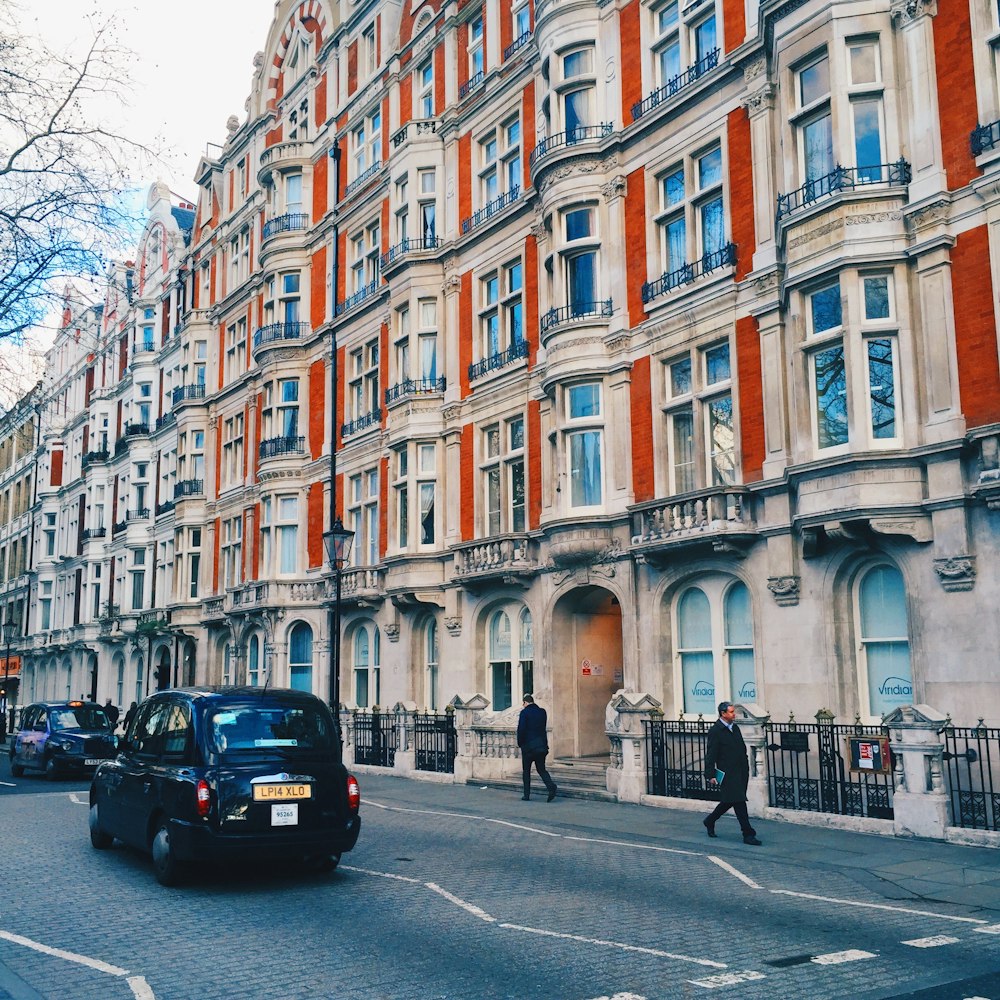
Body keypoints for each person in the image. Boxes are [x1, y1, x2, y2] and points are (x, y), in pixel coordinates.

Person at [703, 701, 762, 846]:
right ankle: (748, 834)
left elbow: (741, 748)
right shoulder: (715, 731)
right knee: (739, 802)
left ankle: (710, 820)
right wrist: (710, 775)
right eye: (730, 712)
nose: (733, 714)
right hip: (728, 773)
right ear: (723, 714)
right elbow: (711, 755)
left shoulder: (735, 728)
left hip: (741, 771)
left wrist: (746, 763)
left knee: (730, 801)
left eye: (733, 711)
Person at [516, 694, 557, 802]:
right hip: (541, 746)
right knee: (541, 769)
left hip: (528, 747)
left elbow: (521, 729)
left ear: (525, 702)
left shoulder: (524, 713)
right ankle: (551, 786)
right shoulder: (542, 712)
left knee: (526, 771)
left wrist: (520, 743)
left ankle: (526, 795)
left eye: (523, 704)